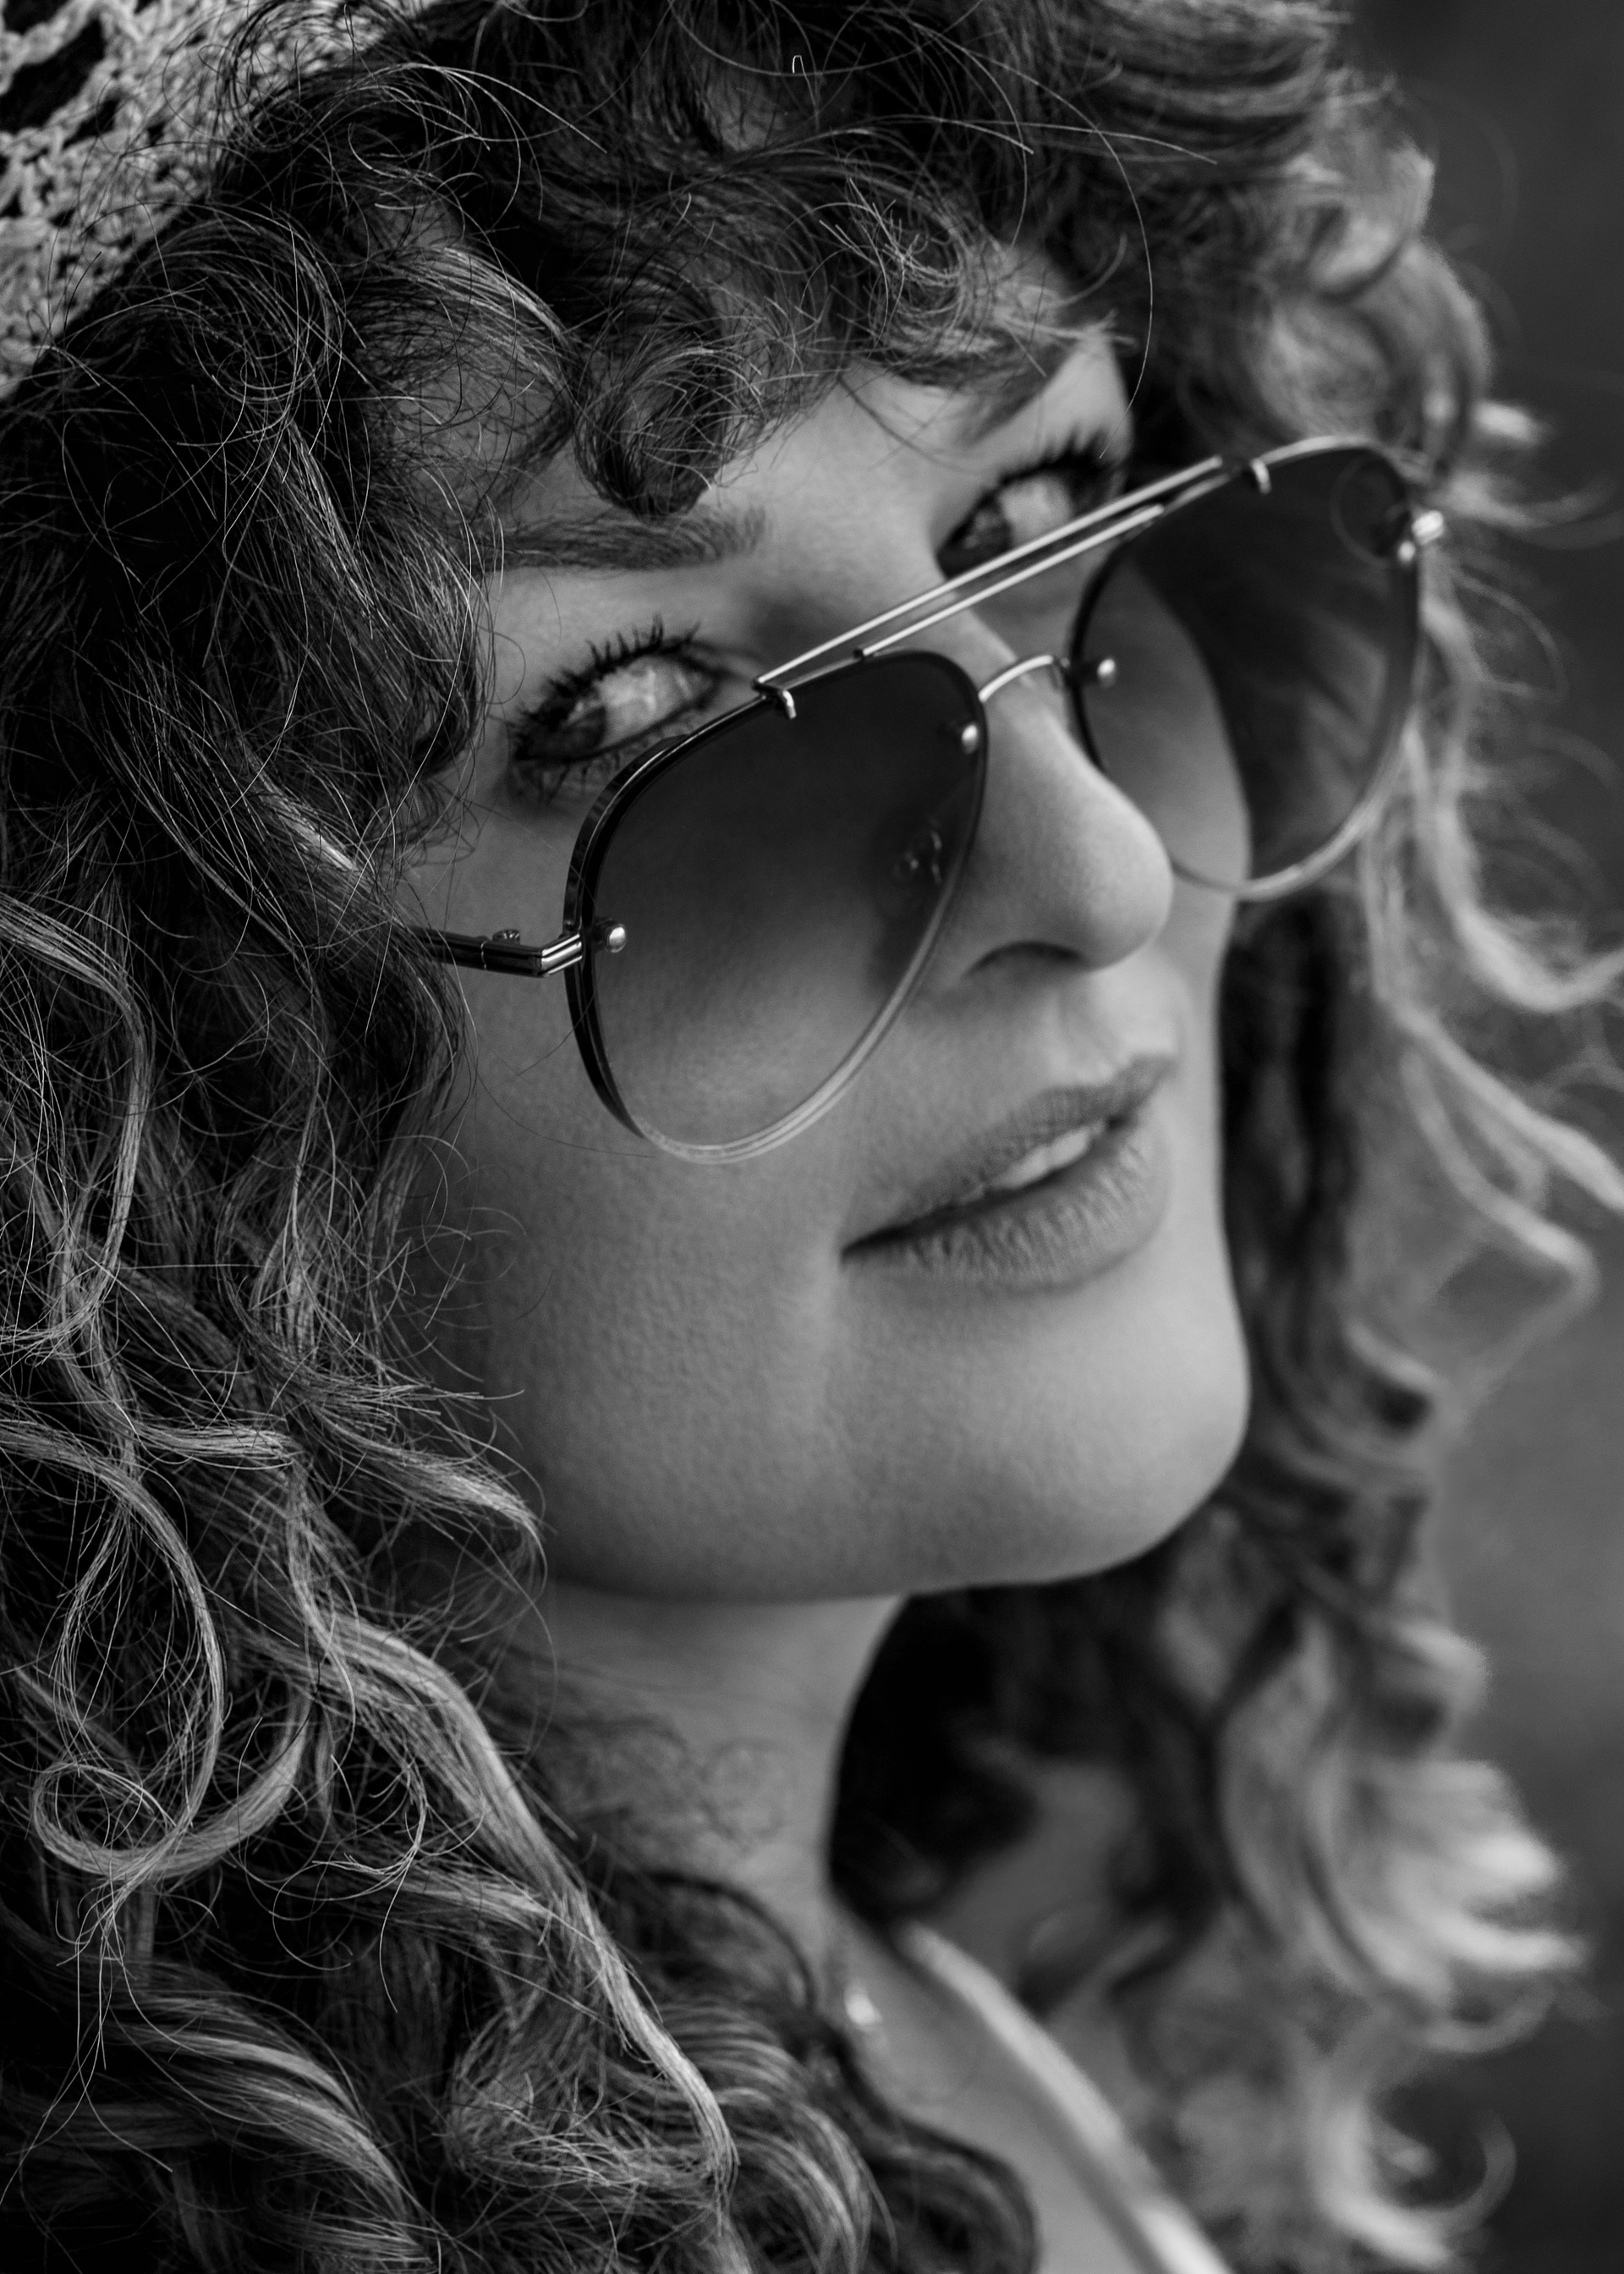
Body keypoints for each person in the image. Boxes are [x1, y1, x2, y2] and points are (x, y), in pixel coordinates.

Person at [1, 2, 1619, 2268]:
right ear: (118, 1074)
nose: (1093, 868)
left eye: (1040, 513)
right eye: (646, 713)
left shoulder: (863, 2023)